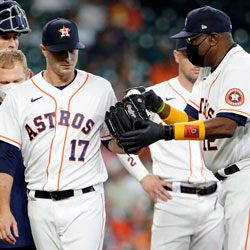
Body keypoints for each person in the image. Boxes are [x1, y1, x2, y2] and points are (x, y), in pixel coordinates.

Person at [119, 5, 250, 250]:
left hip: (244, 178)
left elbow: (227, 125)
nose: (188, 48)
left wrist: (163, 133)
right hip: (227, 183)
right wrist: (158, 106)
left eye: (192, 40)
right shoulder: (209, 71)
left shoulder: (240, 65)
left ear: (213, 38)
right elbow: (189, 121)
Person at [0, 17, 134, 250]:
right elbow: (7, 156)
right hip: (39, 202)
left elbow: (111, 141)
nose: (67, 57)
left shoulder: (100, 88)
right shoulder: (20, 95)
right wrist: (3, 209)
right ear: (43, 50)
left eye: (72, 50)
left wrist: (138, 139)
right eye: (59, 51)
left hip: (85, 201)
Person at [138, 38, 224, 250]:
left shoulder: (220, 95)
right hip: (172, 199)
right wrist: (142, 176)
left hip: (215, 200)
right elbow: (118, 141)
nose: (195, 61)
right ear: (176, 56)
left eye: (199, 54)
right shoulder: (153, 97)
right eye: (188, 55)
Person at [0, 1, 36, 249]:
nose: (12, 43)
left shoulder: (32, 92)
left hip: (22, 215)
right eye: (4, 36)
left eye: (15, 37)